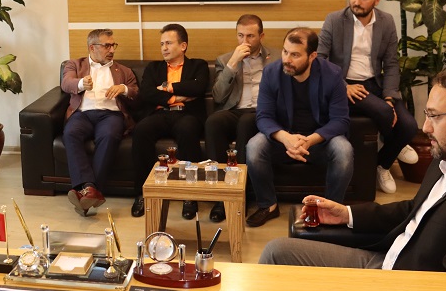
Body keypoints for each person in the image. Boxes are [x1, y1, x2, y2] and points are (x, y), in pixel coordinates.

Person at [259, 69, 446, 274]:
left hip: (401, 285)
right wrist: (347, 214)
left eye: (434, 116)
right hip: (389, 258)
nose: (425, 127)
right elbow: (414, 210)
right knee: (276, 251)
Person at [319, 0, 418, 194]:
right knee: (384, 113)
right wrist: (343, 86)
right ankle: (396, 144)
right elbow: (320, 60)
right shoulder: (334, 20)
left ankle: (382, 164)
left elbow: (391, 64)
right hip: (345, 85)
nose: (356, 1)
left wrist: (389, 97)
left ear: (377, 0)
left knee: (410, 126)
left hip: (375, 83)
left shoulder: (386, 21)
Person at [245, 27, 353, 227]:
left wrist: (310, 140)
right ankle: (268, 205)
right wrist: (286, 138)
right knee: (254, 146)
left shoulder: (332, 74)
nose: (287, 59)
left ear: (312, 56)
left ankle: (331, 210)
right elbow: (263, 116)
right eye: (285, 51)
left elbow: (340, 120)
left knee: (344, 150)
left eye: (295, 55)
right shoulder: (271, 72)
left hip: (319, 141)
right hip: (283, 140)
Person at [130, 24, 209, 218]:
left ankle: (190, 195)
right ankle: (143, 193)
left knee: (188, 130)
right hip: (160, 114)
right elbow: (147, 93)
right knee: (141, 131)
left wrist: (167, 87)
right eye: (162, 44)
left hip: (187, 115)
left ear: (183, 46)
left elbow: (198, 88)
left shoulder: (198, 65)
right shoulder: (153, 68)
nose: (164, 48)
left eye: (168, 43)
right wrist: (176, 97)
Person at [61, 29, 138, 217]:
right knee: (70, 133)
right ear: (92, 47)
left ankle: (85, 192)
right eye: (107, 46)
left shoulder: (124, 71)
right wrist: (81, 84)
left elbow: (136, 93)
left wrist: (123, 88)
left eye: (113, 45)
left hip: (110, 115)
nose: (112, 50)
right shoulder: (74, 64)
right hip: (82, 114)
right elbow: (66, 83)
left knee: (110, 135)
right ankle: (91, 189)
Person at [204, 14, 273, 222]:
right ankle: (221, 195)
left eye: (250, 36)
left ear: (261, 36)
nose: (245, 41)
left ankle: (239, 193)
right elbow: (218, 97)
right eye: (240, 35)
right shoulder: (225, 59)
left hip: (262, 111)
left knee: (246, 122)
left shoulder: (276, 57)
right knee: (213, 122)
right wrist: (232, 64)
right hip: (236, 109)